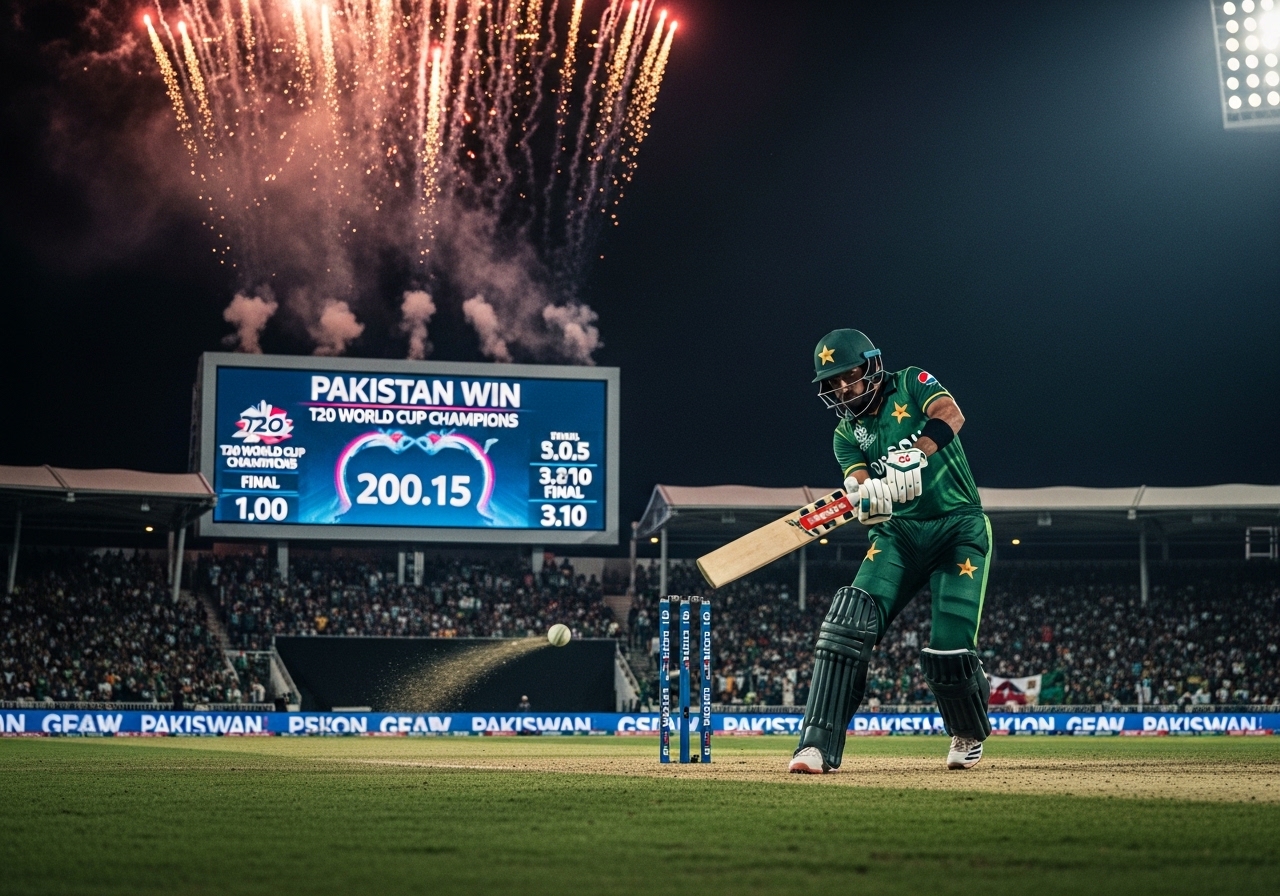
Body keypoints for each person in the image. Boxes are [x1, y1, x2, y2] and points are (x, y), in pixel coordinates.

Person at [790, 328, 992, 774]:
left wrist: (917, 454)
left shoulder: (910, 382)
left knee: (949, 648)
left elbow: (951, 413)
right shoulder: (846, 433)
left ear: (872, 366)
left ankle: (966, 730)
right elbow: (860, 484)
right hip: (897, 535)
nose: (844, 387)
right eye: (834, 382)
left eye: (851, 375)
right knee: (848, 624)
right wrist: (867, 499)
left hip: (957, 527)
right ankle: (816, 745)